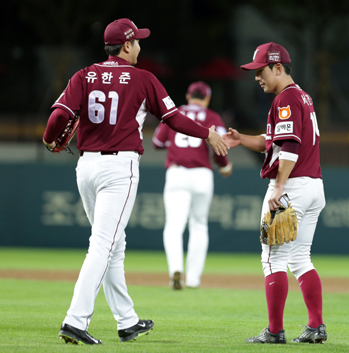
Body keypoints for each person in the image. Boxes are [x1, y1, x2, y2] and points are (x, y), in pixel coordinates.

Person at [42, 18, 227, 345]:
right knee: (103, 244)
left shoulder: (83, 75)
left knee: (114, 244)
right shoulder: (143, 79)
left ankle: (126, 321)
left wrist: (48, 140)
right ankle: (75, 320)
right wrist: (208, 134)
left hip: (85, 167)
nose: (140, 46)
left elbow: (58, 117)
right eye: (137, 41)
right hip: (119, 168)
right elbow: (174, 119)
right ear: (126, 45)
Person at [223, 42, 327, 344]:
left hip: (292, 185)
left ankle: (274, 331)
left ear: (278, 68)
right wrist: (242, 139)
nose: (257, 76)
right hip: (313, 186)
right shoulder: (301, 97)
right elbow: (275, 140)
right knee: (300, 259)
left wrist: (279, 185)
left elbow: (291, 147)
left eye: (261, 70)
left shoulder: (285, 99)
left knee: (272, 260)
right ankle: (315, 327)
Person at [153, 81, 232, 290]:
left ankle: (175, 271)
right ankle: (194, 278)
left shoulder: (175, 112)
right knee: (199, 225)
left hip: (177, 173)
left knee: (174, 225)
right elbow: (221, 146)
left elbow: (157, 142)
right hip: (202, 175)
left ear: (188, 97)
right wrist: (224, 166)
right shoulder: (212, 117)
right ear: (207, 98)